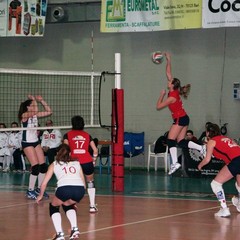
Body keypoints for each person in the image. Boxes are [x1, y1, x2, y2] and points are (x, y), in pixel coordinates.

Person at [156, 52, 205, 175]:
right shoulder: (176, 89)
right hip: (184, 118)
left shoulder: (172, 96)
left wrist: (161, 95)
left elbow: (158, 106)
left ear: (172, 85)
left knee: (170, 140)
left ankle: (174, 163)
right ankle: (201, 148)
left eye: (170, 81)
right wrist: (168, 60)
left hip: (179, 119)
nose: (168, 81)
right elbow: (168, 73)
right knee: (181, 141)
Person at [36, 143, 85, 240]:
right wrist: (75, 199)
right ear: (70, 154)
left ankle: (59, 234)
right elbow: (83, 182)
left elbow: (44, 183)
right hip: (80, 189)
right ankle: (74, 229)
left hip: (64, 188)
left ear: (57, 153)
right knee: (67, 204)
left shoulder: (54, 164)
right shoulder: (77, 163)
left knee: (54, 207)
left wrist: (40, 195)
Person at [198, 123, 240, 217]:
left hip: (236, 161)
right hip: (237, 159)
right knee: (238, 184)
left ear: (208, 133)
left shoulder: (211, 141)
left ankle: (224, 209)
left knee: (215, 184)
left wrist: (200, 165)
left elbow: (207, 159)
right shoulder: (226, 138)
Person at [18, 95, 52, 199]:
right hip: (27, 143)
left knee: (43, 166)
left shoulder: (34, 115)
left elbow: (49, 111)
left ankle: (39, 188)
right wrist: (34, 100)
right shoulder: (24, 115)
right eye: (32, 105)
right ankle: (30, 190)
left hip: (35, 142)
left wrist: (42, 101)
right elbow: (34, 112)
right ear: (28, 107)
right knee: (35, 167)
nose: (34, 106)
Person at [63, 115, 98, 213]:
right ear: (83, 124)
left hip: (74, 162)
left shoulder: (67, 135)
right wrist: (94, 161)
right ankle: (92, 206)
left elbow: (65, 149)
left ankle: (72, 204)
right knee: (90, 182)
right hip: (87, 161)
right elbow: (95, 150)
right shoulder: (87, 135)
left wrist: (66, 161)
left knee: (73, 183)